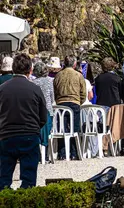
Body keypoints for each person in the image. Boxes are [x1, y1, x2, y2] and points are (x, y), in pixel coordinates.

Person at [0, 54, 47, 189]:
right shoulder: (35, 89)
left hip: (7, 135)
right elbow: (43, 116)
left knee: (4, 177)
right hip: (29, 134)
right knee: (29, 178)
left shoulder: (2, 89)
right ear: (30, 70)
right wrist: (35, 128)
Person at [54, 55, 86, 159]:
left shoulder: (58, 75)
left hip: (61, 104)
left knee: (61, 129)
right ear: (75, 64)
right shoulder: (78, 75)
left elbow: (55, 91)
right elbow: (83, 93)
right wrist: (79, 102)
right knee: (74, 129)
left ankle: (62, 154)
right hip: (74, 103)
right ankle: (74, 153)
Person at [32, 62, 55, 154]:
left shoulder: (33, 82)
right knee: (47, 132)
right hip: (48, 110)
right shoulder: (50, 81)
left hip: (36, 111)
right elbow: (52, 97)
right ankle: (46, 154)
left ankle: (39, 153)